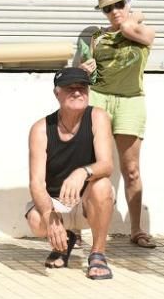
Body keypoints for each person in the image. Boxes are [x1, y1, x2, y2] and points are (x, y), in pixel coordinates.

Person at [73, 0, 156, 249]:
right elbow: (78, 68)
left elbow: (131, 30)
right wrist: (84, 70)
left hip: (130, 100)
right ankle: (75, 226)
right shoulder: (96, 36)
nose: (114, 11)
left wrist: (132, 17)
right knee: (89, 165)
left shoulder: (143, 29)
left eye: (119, 5)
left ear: (129, 4)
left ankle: (136, 229)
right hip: (99, 96)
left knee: (131, 170)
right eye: (108, 8)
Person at [26, 67, 115, 278]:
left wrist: (82, 172)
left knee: (103, 185)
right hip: (57, 201)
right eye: (70, 88)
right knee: (36, 220)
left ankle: (98, 254)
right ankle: (63, 241)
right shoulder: (41, 128)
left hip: (87, 201)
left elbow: (107, 165)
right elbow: (36, 184)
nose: (77, 92)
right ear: (57, 93)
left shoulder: (98, 117)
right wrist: (50, 216)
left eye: (82, 87)